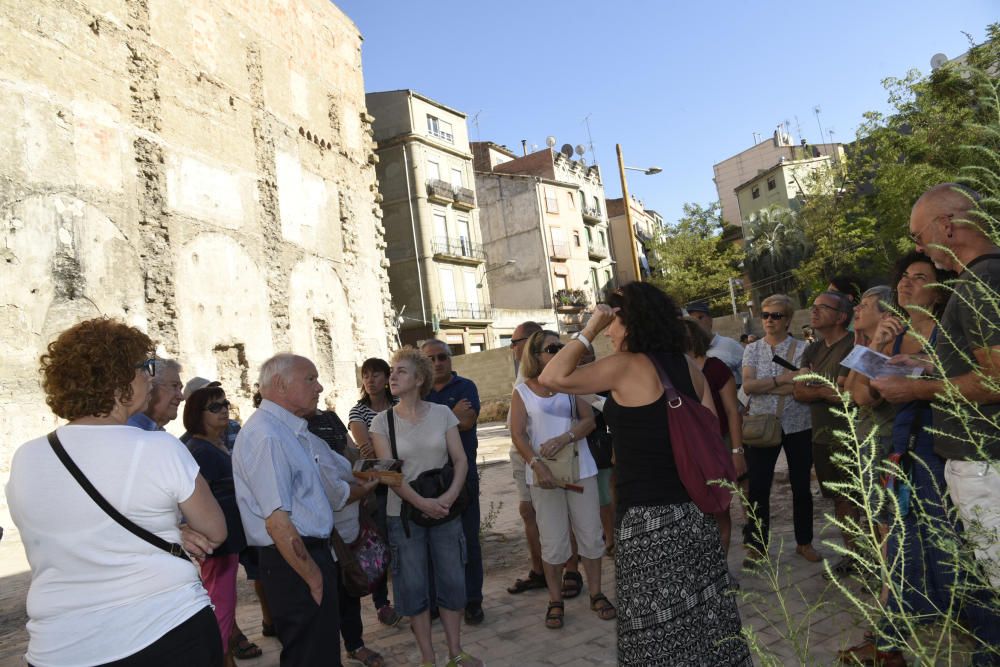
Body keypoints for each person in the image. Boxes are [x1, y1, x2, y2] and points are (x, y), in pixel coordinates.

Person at [540, 283, 751, 666]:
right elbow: (703, 428)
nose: (609, 329)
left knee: (654, 630)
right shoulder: (686, 365)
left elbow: (552, 376)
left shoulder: (625, 366)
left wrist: (587, 329)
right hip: (695, 516)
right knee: (703, 620)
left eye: (613, 320)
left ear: (630, 321)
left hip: (649, 521)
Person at [6, 318, 227, 666]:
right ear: (120, 379)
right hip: (164, 628)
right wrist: (175, 529)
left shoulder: (27, 456)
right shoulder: (158, 448)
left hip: (59, 645)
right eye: (145, 368)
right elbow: (215, 531)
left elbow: (65, 528)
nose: (150, 378)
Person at [872, 183, 1000, 665]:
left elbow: (997, 379)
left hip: (986, 464)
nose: (919, 248)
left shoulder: (982, 281)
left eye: (920, 237)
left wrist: (918, 389)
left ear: (948, 227)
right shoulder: (981, 281)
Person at [840, 254, 956, 665]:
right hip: (899, 454)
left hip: (944, 454)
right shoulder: (896, 334)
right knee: (899, 545)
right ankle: (891, 635)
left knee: (942, 547)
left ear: (941, 289)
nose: (906, 284)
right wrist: (875, 347)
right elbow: (860, 396)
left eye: (919, 278)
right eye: (904, 276)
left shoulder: (949, 333)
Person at [233, 353, 357, 667]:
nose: (320, 387)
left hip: (304, 558)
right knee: (311, 656)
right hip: (295, 563)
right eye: (310, 379)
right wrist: (314, 578)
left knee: (320, 653)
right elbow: (277, 521)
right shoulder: (268, 436)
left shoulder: (286, 430)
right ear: (280, 385)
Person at [369, 348, 482, 667]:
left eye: (400, 371)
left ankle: (455, 652)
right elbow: (390, 473)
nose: (392, 376)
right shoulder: (382, 421)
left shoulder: (442, 413)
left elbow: (459, 460)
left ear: (419, 379)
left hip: (446, 511)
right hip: (404, 517)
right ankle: (428, 659)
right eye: (392, 371)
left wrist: (447, 498)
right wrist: (423, 503)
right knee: (413, 586)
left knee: (452, 582)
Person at [509, 330, 612, 630]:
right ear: (536, 356)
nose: (559, 352)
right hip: (542, 475)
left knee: (591, 536)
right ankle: (555, 600)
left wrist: (565, 437)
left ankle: (596, 593)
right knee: (553, 541)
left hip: (581, 468)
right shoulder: (523, 391)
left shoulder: (571, 384)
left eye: (561, 347)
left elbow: (589, 421)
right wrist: (537, 464)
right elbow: (518, 434)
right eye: (552, 348)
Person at [741, 294, 817, 566]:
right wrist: (783, 379)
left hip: (799, 424)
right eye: (765, 315)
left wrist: (769, 384)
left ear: (788, 320)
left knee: (801, 486)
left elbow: (805, 387)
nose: (769, 320)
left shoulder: (803, 348)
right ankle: (757, 546)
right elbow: (748, 386)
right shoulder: (752, 349)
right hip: (762, 426)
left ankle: (804, 541)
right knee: (759, 487)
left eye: (776, 315)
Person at [421, 340, 486, 625]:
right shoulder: (418, 392)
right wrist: (451, 417)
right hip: (429, 479)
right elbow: (416, 433)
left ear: (450, 359)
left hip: (463, 475)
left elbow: (467, 423)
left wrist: (432, 423)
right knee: (433, 542)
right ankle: (437, 602)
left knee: (469, 540)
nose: (437, 363)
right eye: (430, 359)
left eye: (442, 357)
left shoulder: (466, 387)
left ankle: (473, 601)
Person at [793, 290, 858, 576]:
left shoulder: (854, 345)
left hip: (852, 434)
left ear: (842, 316)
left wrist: (816, 389)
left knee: (862, 497)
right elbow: (798, 390)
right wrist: (824, 390)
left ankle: (875, 557)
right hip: (822, 436)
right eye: (814, 305)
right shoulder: (812, 349)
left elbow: (844, 394)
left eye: (823, 307)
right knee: (839, 498)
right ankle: (853, 555)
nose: (814, 311)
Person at [183, 385, 247, 666]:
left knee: (224, 603)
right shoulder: (201, 450)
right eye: (215, 407)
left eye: (225, 404)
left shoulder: (214, 445)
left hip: (229, 538)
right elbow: (198, 500)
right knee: (221, 604)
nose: (224, 410)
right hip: (218, 542)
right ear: (198, 415)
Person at [682, 317, 747, 554]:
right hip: (687, 450)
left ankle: (721, 569)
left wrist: (737, 452)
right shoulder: (671, 372)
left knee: (720, 509)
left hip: (718, 445)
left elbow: (732, 412)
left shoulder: (716, 368)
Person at [347, 357, 401, 627]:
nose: (370, 380)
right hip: (376, 490)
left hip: (401, 484)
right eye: (365, 375)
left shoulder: (399, 406)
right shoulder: (358, 411)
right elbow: (365, 446)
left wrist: (385, 449)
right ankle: (382, 604)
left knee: (402, 543)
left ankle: (406, 597)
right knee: (379, 546)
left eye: (376, 374)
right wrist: (390, 448)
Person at [504, 321, 549, 596]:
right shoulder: (522, 371)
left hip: (541, 452)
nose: (512, 348)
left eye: (514, 341)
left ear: (529, 340)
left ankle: (566, 570)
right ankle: (539, 569)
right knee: (528, 510)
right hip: (520, 452)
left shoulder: (547, 368)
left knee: (551, 510)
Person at [687, 301, 745, 386]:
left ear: (710, 320)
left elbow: (749, 379)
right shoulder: (688, 354)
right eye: (692, 321)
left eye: (700, 317)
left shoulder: (730, 345)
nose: (697, 323)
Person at [127, 357, 184, 430]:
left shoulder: (156, 433)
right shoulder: (126, 430)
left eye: (180, 388)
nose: (181, 397)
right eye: (174, 386)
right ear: (149, 386)